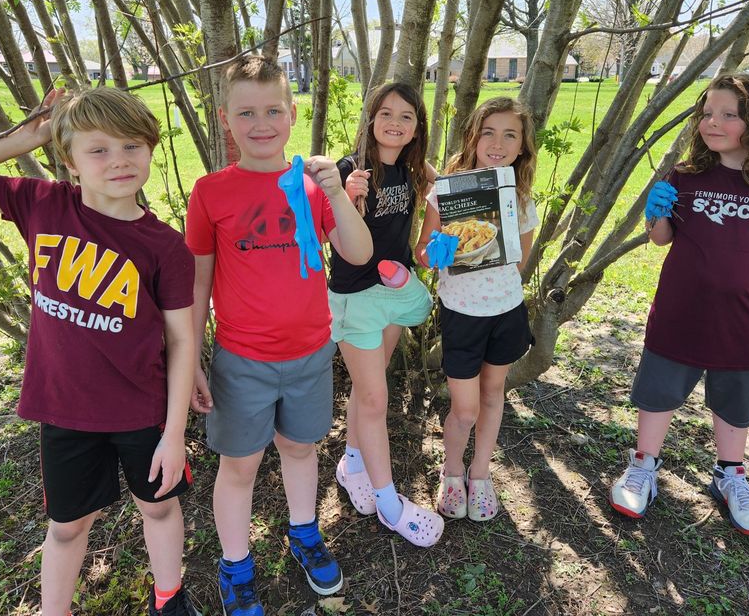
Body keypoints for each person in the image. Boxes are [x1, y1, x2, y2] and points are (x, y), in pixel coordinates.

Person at [0, 88, 201, 616]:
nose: (118, 160)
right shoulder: (42, 203)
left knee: (159, 509)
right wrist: (29, 136)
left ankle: (169, 597)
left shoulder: (164, 245)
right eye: (98, 150)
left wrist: (174, 433)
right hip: (65, 408)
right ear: (69, 161)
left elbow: (183, 338)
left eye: (131, 146)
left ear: (149, 150)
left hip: (142, 410)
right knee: (68, 525)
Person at [186, 56, 372, 616]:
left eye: (273, 110)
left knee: (299, 448)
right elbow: (196, 283)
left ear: (292, 115)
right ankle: (236, 568)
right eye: (246, 112)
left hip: (312, 353)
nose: (261, 122)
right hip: (243, 360)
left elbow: (358, 253)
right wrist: (193, 357)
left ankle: (304, 533)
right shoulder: (211, 192)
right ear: (226, 119)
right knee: (239, 466)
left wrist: (337, 192)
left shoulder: (312, 189)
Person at [609, 73, 749, 537]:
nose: (712, 122)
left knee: (734, 403)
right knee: (658, 393)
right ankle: (644, 464)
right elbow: (661, 239)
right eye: (707, 113)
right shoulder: (686, 174)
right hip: (679, 314)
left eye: (729, 115)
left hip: (745, 325)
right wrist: (656, 212)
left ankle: (731, 474)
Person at [329, 82, 443, 546]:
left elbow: (438, 181)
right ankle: (390, 504)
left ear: (417, 128)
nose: (395, 123)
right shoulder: (351, 168)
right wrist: (342, 191)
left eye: (407, 117)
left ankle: (352, 462)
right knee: (376, 399)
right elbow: (327, 217)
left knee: (368, 386)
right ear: (371, 118)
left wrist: (439, 184)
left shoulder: (412, 171)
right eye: (386, 114)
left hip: (393, 291)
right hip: (355, 298)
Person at [416, 97, 539, 523]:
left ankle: (480, 473)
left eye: (511, 134)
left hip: (505, 311)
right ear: (472, 136)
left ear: (522, 146)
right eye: (489, 131)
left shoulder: (519, 197)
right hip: (461, 313)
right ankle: (452, 472)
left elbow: (520, 260)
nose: (498, 142)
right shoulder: (446, 190)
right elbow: (422, 253)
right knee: (464, 408)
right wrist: (439, 251)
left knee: (492, 395)